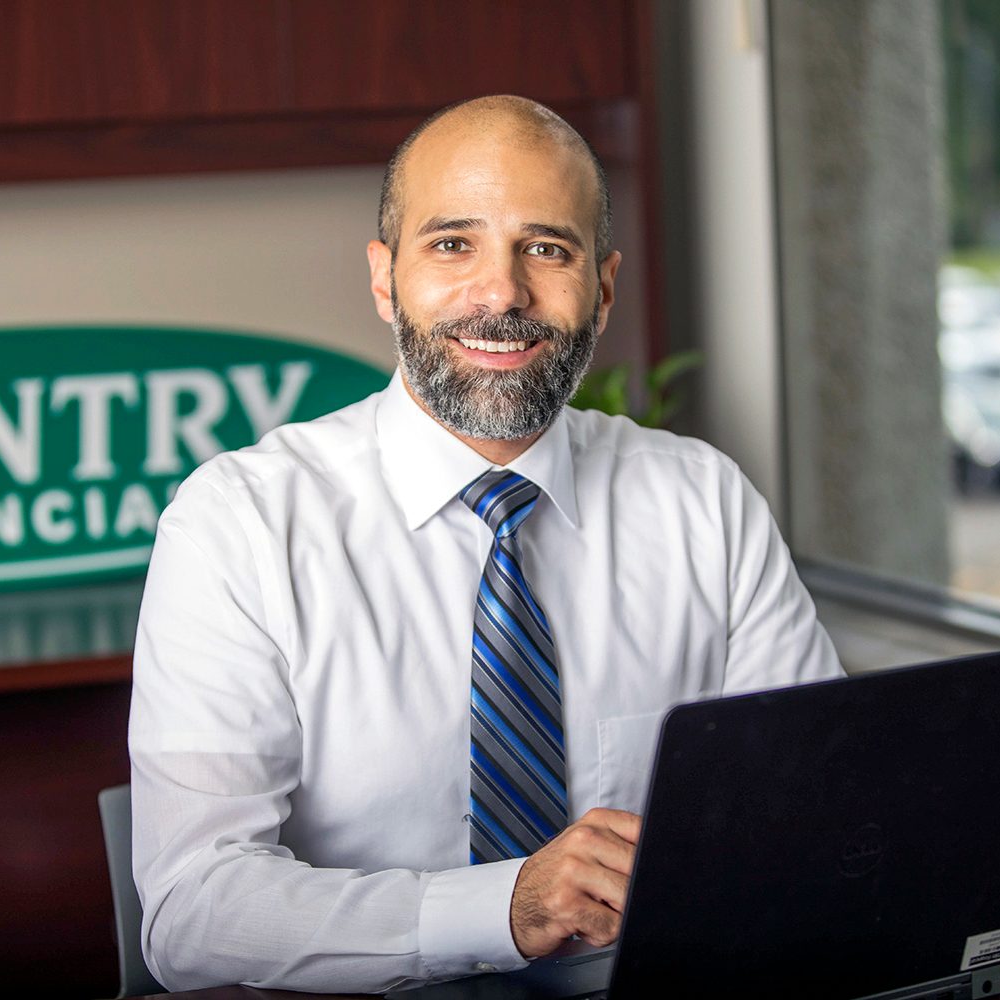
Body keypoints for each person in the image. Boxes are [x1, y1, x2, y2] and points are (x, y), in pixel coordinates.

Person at [129, 94, 843, 994]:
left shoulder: (703, 499)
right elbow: (194, 912)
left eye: (546, 248)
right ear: (386, 279)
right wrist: (505, 908)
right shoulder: (239, 523)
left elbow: (818, 813)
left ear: (604, 286)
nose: (501, 293)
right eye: (452, 244)